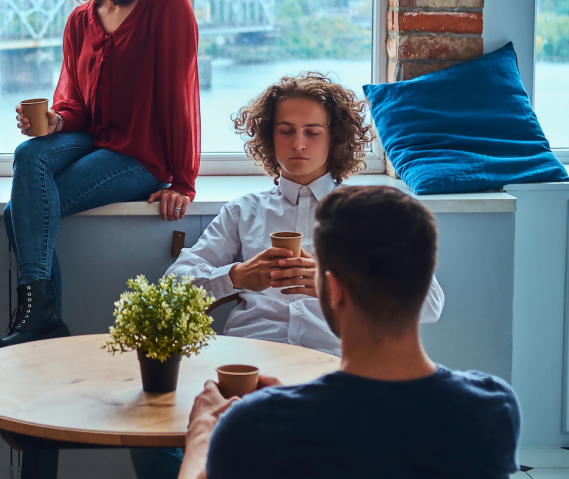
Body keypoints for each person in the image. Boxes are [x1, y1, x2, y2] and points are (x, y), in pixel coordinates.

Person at [131, 73, 445, 478]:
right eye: (286, 131)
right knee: (148, 433)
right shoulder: (244, 210)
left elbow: (431, 303)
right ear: (269, 136)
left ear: (335, 138)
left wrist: (334, 283)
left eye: (312, 132)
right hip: (244, 368)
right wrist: (237, 276)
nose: (298, 144)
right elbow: (170, 291)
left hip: (329, 367)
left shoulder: (365, 211)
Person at [179, 185, 521, 479]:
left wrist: (200, 433)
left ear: (333, 290)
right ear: (423, 282)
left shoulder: (257, 424)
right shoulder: (493, 408)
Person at [0, 0, 201, 349]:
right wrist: (51, 121)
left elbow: (180, 99)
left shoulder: (168, 6)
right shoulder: (79, 21)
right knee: (30, 153)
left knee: (20, 213)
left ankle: (39, 320)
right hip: (92, 140)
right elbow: (76, 109)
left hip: (140, 156)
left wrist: (183, 181)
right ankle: (42, 315)